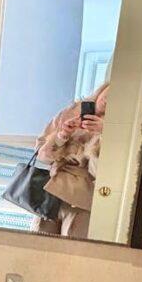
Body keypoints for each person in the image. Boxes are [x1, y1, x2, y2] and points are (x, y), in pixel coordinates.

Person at [33, 83, 109, 238]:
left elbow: (101, 172)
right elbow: (42, 156)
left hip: (82, 198)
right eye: (109, 92)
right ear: (102, 89)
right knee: (37, 242)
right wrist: (62, 135)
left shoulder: (120, 129)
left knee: (71, 247)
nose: (108, 99)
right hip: (51, 192)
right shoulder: (70, 112)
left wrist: (105, 133)